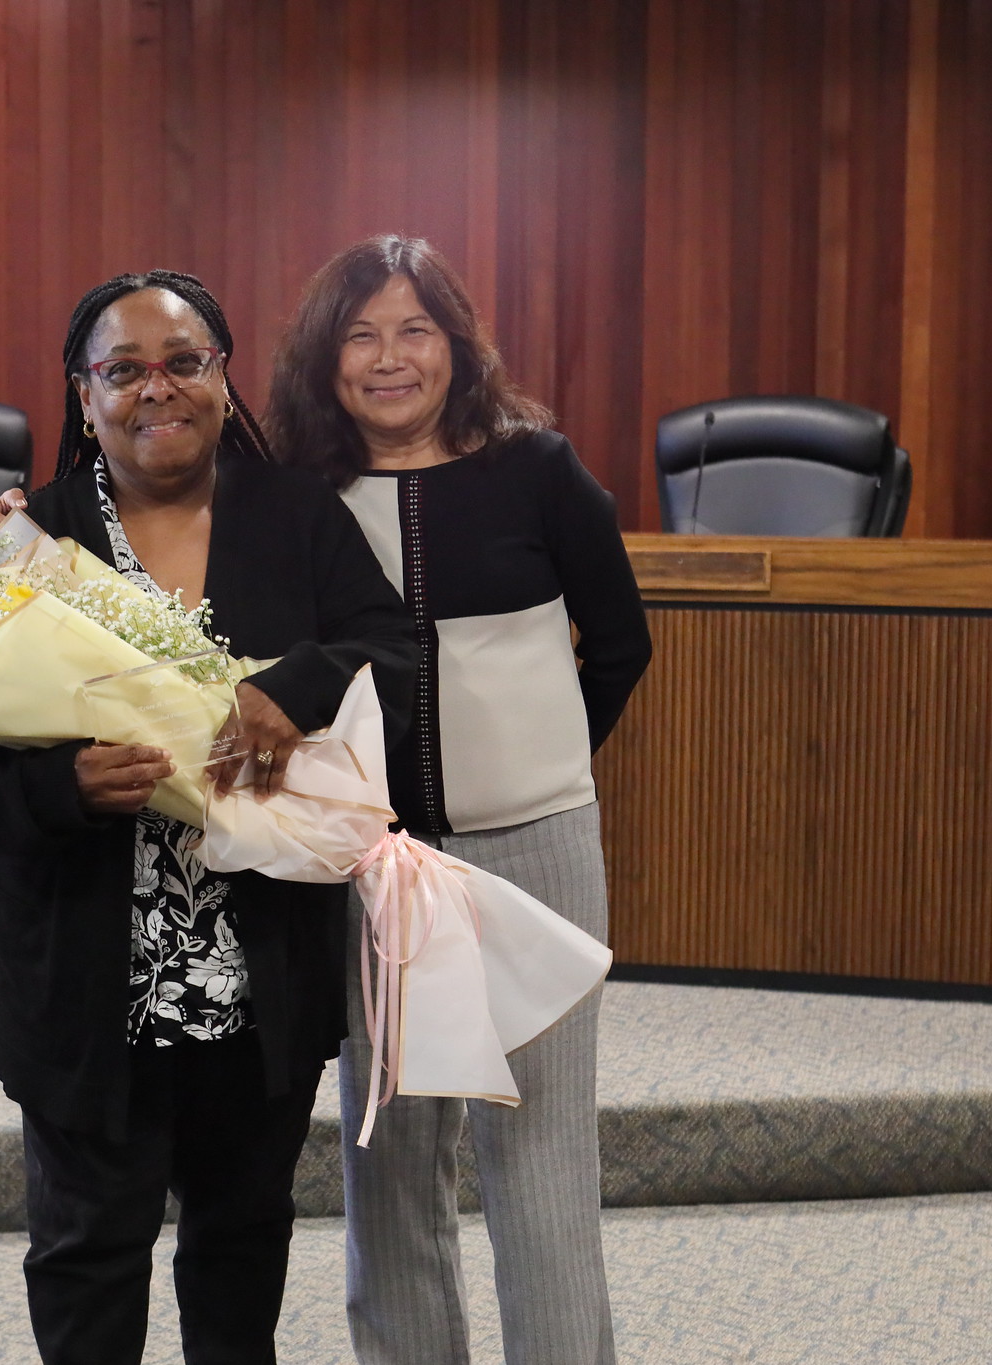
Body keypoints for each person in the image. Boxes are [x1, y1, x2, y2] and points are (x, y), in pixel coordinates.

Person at [0, 269, 416, 1365]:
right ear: (82, 391)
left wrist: (296, 686)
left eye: (184, 363)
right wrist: (61, 788)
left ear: (221, 377)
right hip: (89, 975)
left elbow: (394, 651)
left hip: (263, 970)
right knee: (89, 1245)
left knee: (241, 1239)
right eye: (125, 369)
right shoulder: (19, 542)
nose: (159, 389)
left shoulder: (291, 514)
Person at [264, 235, 653, 1365]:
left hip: (533, 851)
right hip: (371, 870)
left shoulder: (536, 469)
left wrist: (537, 770)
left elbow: (618, 646)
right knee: (387, 1163)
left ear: (455, 345)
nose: (389, 359)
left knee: (540, 1159)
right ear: (323, 360)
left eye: (414, 330)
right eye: (359, 335)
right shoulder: (296, 496)